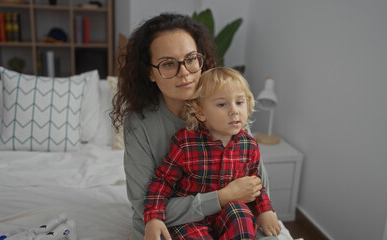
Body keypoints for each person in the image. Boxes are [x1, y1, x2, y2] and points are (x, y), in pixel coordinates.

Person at [111, 13, 275, 240]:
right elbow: (145, 208)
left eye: (191, 58)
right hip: (177, 229)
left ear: (201, 59)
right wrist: (223, 196)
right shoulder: (139, 125)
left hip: (233, 219)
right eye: (168, 64)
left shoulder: (230, 112)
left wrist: (258, 209)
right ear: (150, 72)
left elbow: (254, 187)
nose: (184, 72)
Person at [143, 67, 282, 239]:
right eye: (222, 104)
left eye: (239, 102)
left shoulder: (249, 145)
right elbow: (162, 181)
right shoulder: (185, 143)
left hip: (229, 214)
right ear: (201, 112)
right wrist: (153, 217)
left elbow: (254, 183)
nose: (234, 111)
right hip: (192, 219)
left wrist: (265, 210)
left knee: (241, 214)